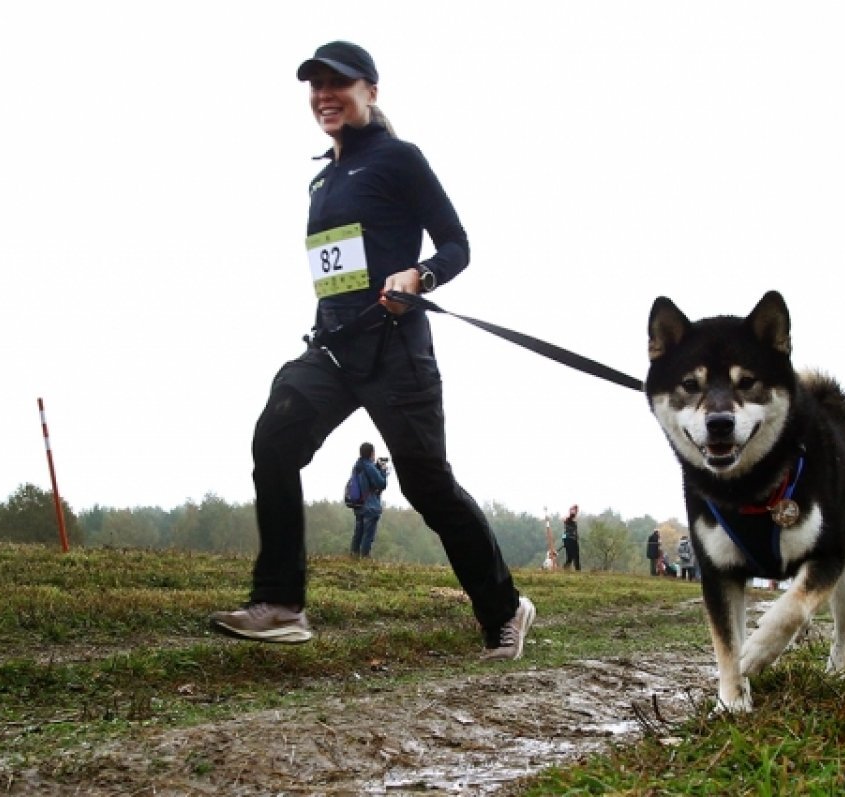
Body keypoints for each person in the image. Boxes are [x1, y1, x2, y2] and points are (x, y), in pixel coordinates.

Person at [209, 41, 535, 659]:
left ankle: (505, 607)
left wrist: (419, 277)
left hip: (396, 350)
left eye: (339, 83)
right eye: (315, 86)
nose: (324, 96)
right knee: (273, 440)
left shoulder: (399, 159)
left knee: (427, 486)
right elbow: (337, 273)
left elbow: (457, 244)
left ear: (371, 91)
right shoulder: (323, 179)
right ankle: (280, 603)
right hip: (334, 349)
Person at [349, 442, 388, 557]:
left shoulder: (358, 465)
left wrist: (376, 467)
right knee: (368, 534)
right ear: (371, 453)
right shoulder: (369, 466)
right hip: (370, 506)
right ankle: (365, 557)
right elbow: (381, 484)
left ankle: (353, 555)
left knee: (358, 532)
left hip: (358, 504)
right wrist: (383, 471)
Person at [560, 505, 581, 571]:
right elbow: (571, 516)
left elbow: (566, 531)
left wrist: (563, 540)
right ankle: (577, 570)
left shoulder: (567, 520)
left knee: (570, 557)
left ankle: (565, 568)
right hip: (571, 540)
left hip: (567, 539)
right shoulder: (571, 518)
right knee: (576, 556)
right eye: (576, 510)